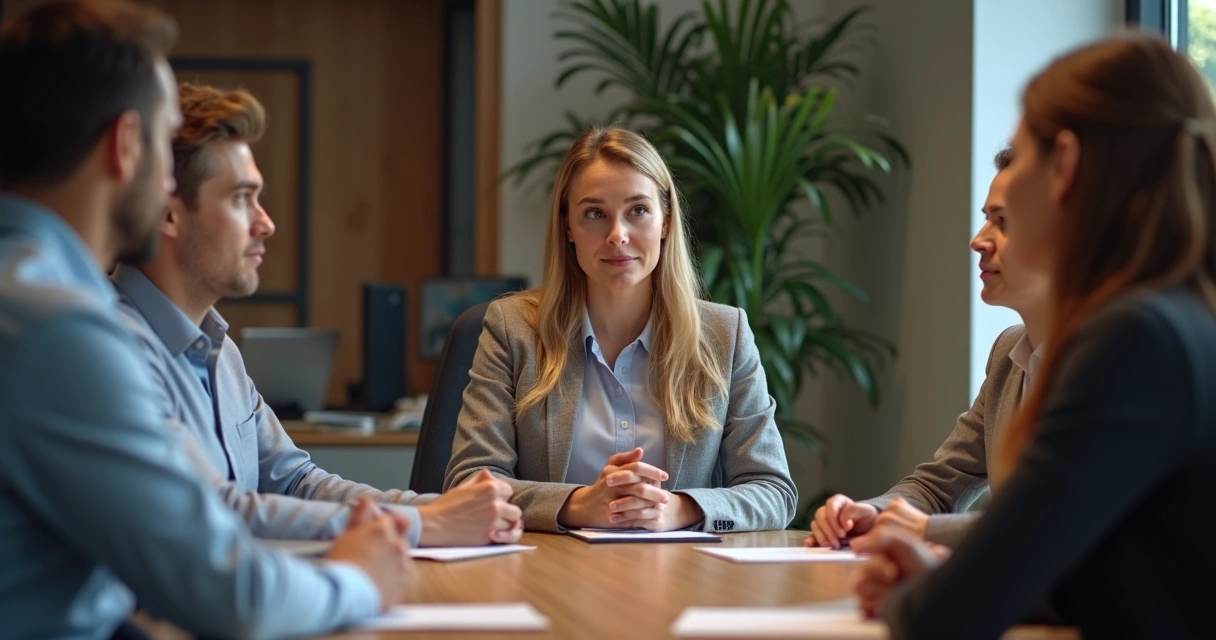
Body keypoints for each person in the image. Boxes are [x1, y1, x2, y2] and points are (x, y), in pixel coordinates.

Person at [0, 1, 413, 638]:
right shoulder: (59, 328)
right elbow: (228, 593)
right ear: (127, 144)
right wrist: (359, 578)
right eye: (163, 142)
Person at [852, 34, 1216, 639]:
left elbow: (948, 619)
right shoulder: (1179, 321)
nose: (996, 209)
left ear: (1066, 166)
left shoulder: (1134, 339)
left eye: (1017, 156)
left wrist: (916, 594)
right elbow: (1137, 576)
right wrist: (939, 575)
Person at [113, 82, 522, 547]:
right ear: (169, 213)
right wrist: (424, 525)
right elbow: (211, 514)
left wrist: (439, 509)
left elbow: (296, 482)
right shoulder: (111, 346)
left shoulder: (219, 350)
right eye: (241, 198)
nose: (265, 223)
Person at [444, 127, 797, 533]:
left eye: (638, 210)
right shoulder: (513, 329)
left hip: (679, 579)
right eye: (594, 214)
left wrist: (676, 509)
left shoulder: (723, 334)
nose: (617, 235)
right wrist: (578, 505)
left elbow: (773, 490)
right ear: (568, 228)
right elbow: (469, 483)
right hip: (547, 574)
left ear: (665, 221)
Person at [808, 147, 1052, 549]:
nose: (978, 241)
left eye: (1004, 223)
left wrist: (922, 532)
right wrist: (874, 514)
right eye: (986, 219)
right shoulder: (1010, 353)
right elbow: (938, 488)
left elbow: (1058, 527)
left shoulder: (1117, 363)